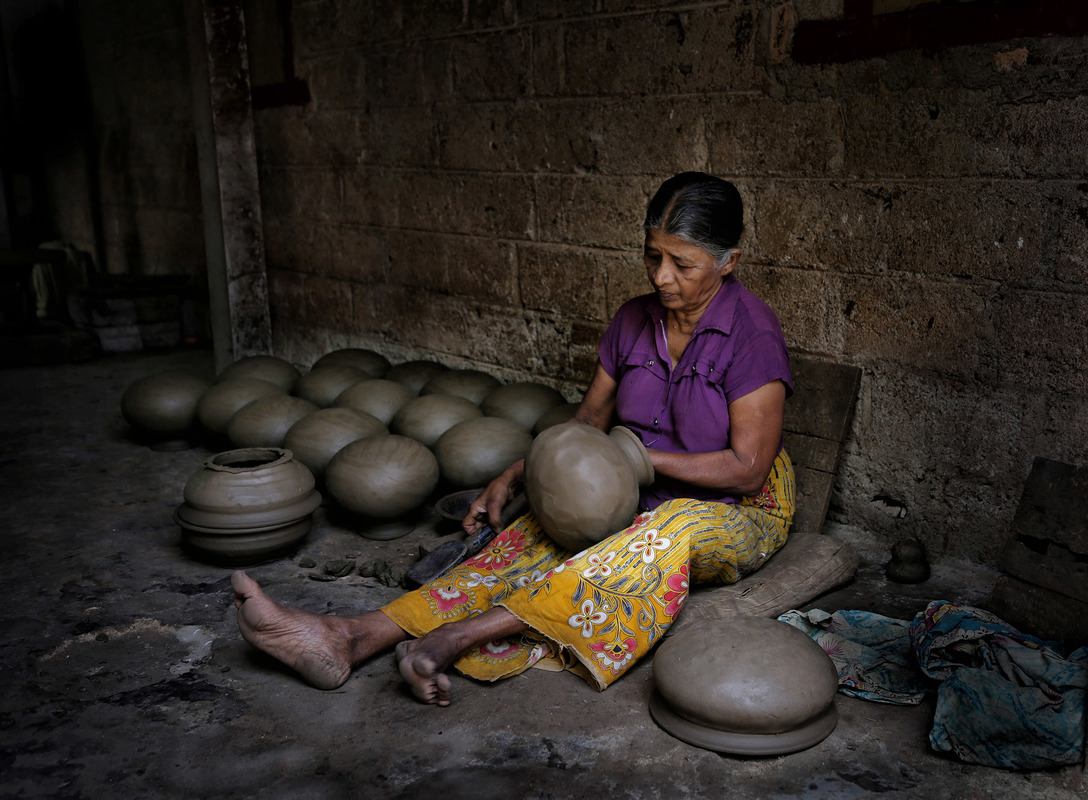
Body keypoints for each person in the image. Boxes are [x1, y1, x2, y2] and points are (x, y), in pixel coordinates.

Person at [232, 172, 795, 706]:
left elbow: (748, 468)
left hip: (734, 509)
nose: (661, 276)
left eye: (682, 263)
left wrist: (637, 459)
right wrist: (518, 472)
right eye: (652, 256)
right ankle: (350, 636)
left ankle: (456, 639)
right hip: (634, 487)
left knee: (658, 535)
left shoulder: (752, 335)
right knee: (530, 538)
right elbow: (585, 425)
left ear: (728, 262)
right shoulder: (633, 320)